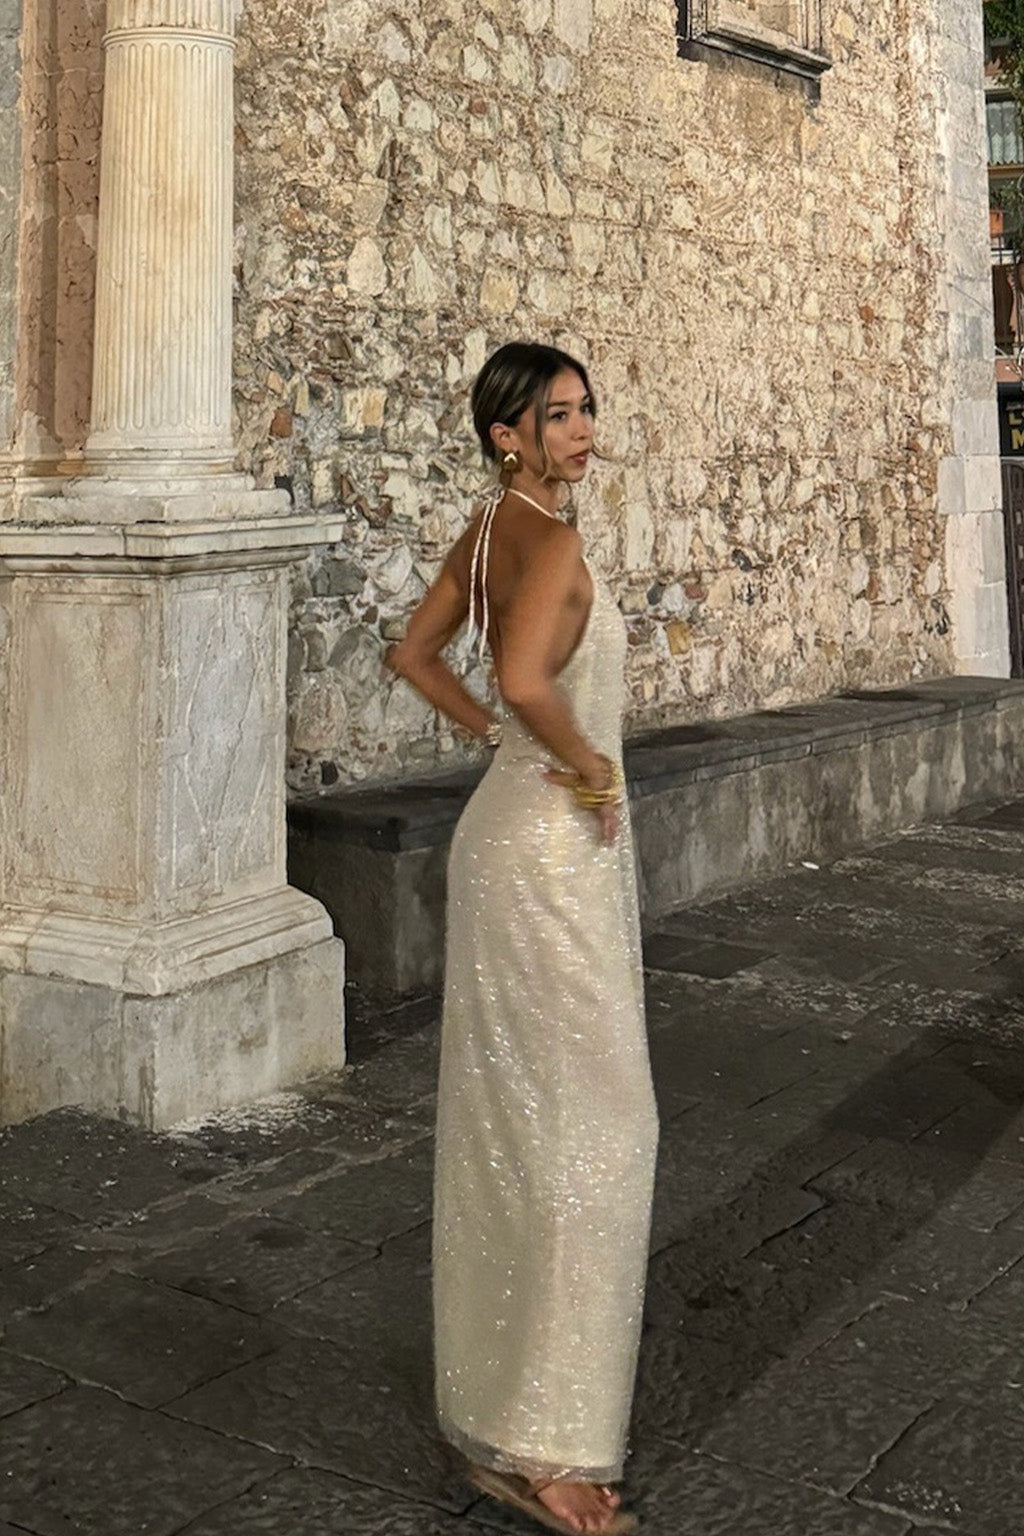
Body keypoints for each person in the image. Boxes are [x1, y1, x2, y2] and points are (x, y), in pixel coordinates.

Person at [387, 341, 659, 1536]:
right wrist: (585, 764)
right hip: (550, 852)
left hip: (505, 835)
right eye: (557, 416)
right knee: (599, 1131)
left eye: (585, 409)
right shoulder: (547, 543)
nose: (583, 430)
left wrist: (495, 738)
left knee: (519, 1123)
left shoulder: (492, 529)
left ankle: (507, 1405)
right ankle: (548, 1442)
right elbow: (524, 675)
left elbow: (414, 656)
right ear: (507, 436)